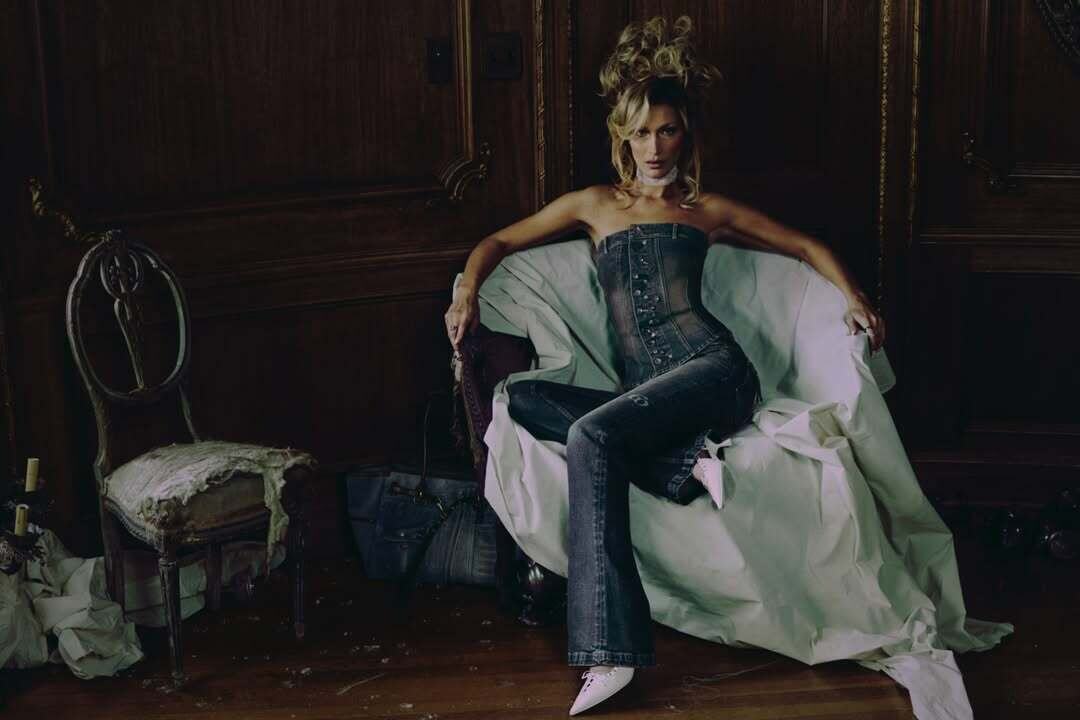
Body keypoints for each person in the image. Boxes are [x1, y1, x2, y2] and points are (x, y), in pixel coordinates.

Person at [443, 15, 884, 716]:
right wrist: (466, 291)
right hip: (649, 391)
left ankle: (610, 651)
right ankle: (683, 465)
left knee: (591, 436)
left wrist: (854, 299)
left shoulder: (704, 210)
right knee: (518, 400)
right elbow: (496, 241)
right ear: (622, 134)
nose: (654, 147)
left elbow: (805, 246)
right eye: (642, 132)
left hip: (715, 371)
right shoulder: (595, 206)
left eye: (668, 130)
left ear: (686, 135)